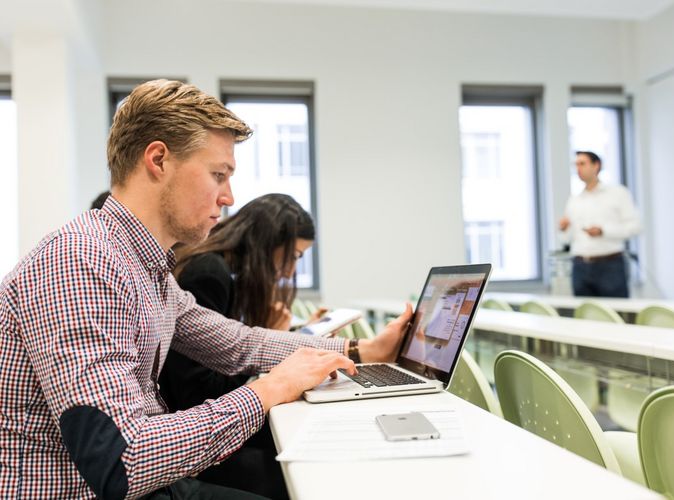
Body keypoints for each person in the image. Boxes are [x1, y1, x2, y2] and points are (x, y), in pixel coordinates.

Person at [0, 79, 412, 499]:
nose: (228, 197)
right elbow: (123, 461)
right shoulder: (80, 263)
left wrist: (358, 352)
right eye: (219, 175)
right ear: (158, 159)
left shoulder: (146, 267)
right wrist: (267, 391)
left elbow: (239, 344)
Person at [159, 193, 322, 496]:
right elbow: (200, 391)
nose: (290, 272)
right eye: (294, 256)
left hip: (198, 425)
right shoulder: (209, 273)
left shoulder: (223, 270)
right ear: (268, 242)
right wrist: (267, 352)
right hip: (191, 437)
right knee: (292, 470)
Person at [559, 151, 641, 297]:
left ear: (596, 165)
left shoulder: (618, 194)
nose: (578, 168)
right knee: (584, 314)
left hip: (609, 265)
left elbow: (635, 227)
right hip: (580, 266)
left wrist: (603, 231)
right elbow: (566, 240)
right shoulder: (574, 200)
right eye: (576, 165)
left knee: (615, 314)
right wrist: (564, 229)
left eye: (582, 164)